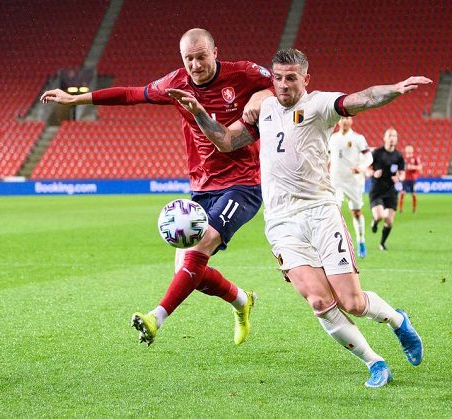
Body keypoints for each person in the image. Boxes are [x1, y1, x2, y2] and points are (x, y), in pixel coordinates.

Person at [168, 48, 430, 388]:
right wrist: (200, 113)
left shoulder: (319, 105)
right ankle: (374, 363)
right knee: (319, 301)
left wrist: (393, 89)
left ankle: (398, 321)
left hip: (321, 213)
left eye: (291, 78)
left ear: (306, 79)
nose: (283, 85)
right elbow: (226, 142)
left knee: (352, 301)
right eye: (277, 78)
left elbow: (361, 99)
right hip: (281, 223)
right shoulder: (264, 110)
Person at [41, 28, 275, 347]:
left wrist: (264, 94)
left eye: (201, 56)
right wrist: (76, 98)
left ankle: (156, 317)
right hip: (203, 187)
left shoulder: (243, 73)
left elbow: (284, 84)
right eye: (188, 58)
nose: (195, 64)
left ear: (215, 52)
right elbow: (131, 95)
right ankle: (241, 301)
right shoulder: (175, 83)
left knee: (202, 244)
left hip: (242, 183)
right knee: (190, 271)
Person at [327, 117, 373, 258]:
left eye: (347, 118)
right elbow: (326, 157)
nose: (345, 121)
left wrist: (361, 167)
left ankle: (361, 240)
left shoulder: (358, 138)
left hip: (354, 181)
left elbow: (369, 157)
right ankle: (337, 245)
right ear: (338, 121)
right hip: (336, 180)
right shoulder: (332, 138)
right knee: (334, 211)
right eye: (342, 118)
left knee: (356, 212)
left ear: (351, 121)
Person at [369, 128, 405, 251]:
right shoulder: (376, 153)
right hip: (377, 189)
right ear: (384, 138)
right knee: (379, 216)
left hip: (391, 191)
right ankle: (374, 221)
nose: (392, 138)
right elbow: (367, 169)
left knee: (389, 220)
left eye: (394, 136)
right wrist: (373, 173)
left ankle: (382, 244)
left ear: (397, 139)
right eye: (389, 135)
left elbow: (402, 173)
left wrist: (398, 177)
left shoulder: (399, 156)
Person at [398, 145, 422, 213]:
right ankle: (400, 209)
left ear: (412, 150)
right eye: (407, 149)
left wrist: (412, 167)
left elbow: (420, 167)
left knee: (414, 194)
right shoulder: (402, 158)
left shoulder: (415, 158)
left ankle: (414, 209)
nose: (408, 150)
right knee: (402, 193)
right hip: (405, 179)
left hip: (412, 179)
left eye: (410, 149)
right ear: (405, 150)